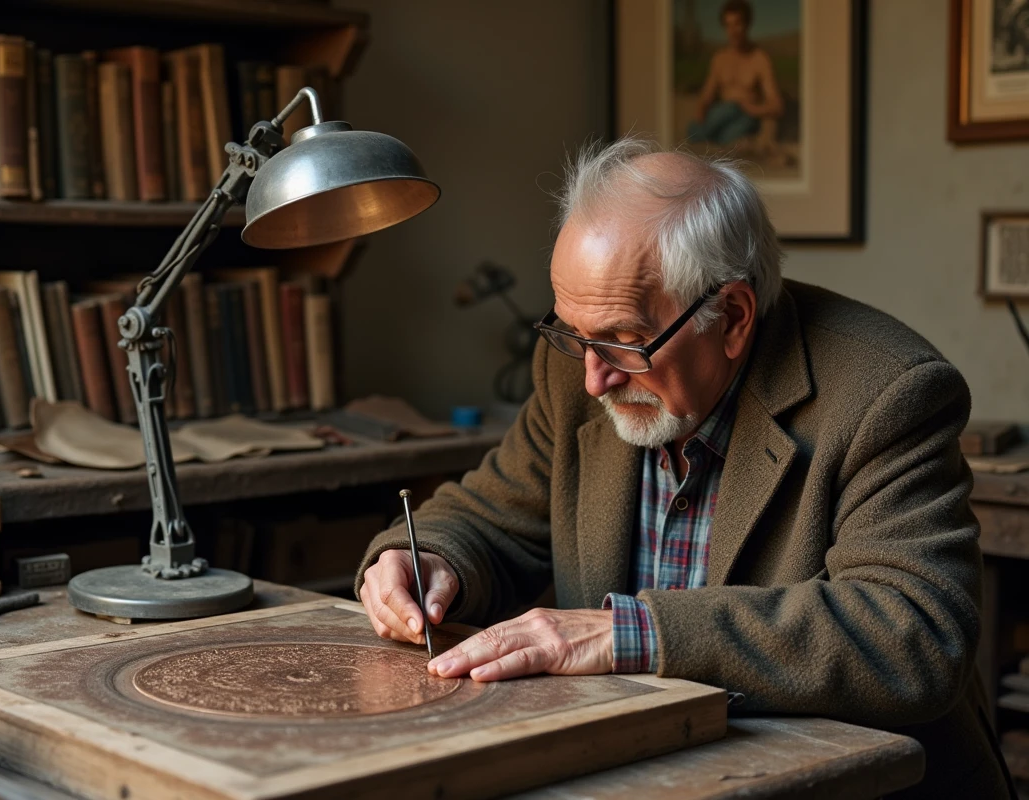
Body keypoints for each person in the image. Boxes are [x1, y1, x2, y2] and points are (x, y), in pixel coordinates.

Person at [355, 136, 1011, 797]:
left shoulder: (888, 393)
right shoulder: (578, 366)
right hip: (652, 772)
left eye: (623, 342)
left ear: (731, 317)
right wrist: (428, 560)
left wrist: (631, 636)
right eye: (572, 332)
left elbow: (917, 637)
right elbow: (489, 519)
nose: (593, 379)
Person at [688, 0, 783, 148]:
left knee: (726, 137)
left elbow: (776, 106)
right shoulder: (720, 59)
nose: (733, 31)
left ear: (747, 24)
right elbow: (706, 96)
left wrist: (751, 108)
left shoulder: (760, 59)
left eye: (737, 24)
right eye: (728, 25)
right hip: (722, 112)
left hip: (746, 115)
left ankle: (711, 140)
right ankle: (704, 137)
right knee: (696, 129)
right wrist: (701, 111)